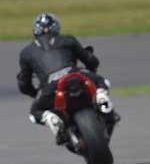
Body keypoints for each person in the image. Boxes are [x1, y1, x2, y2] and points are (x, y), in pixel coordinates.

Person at [17, 13, 118, 147]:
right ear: (56, 27)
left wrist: (35, 94)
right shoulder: (68, 40)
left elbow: (24, 83)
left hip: (50, 87)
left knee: (35, 112)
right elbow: (90, 60)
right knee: (102, 82)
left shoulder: (26, 53)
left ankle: (50, 118)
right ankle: (101, 98)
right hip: (76, 76)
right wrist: (92, 70)